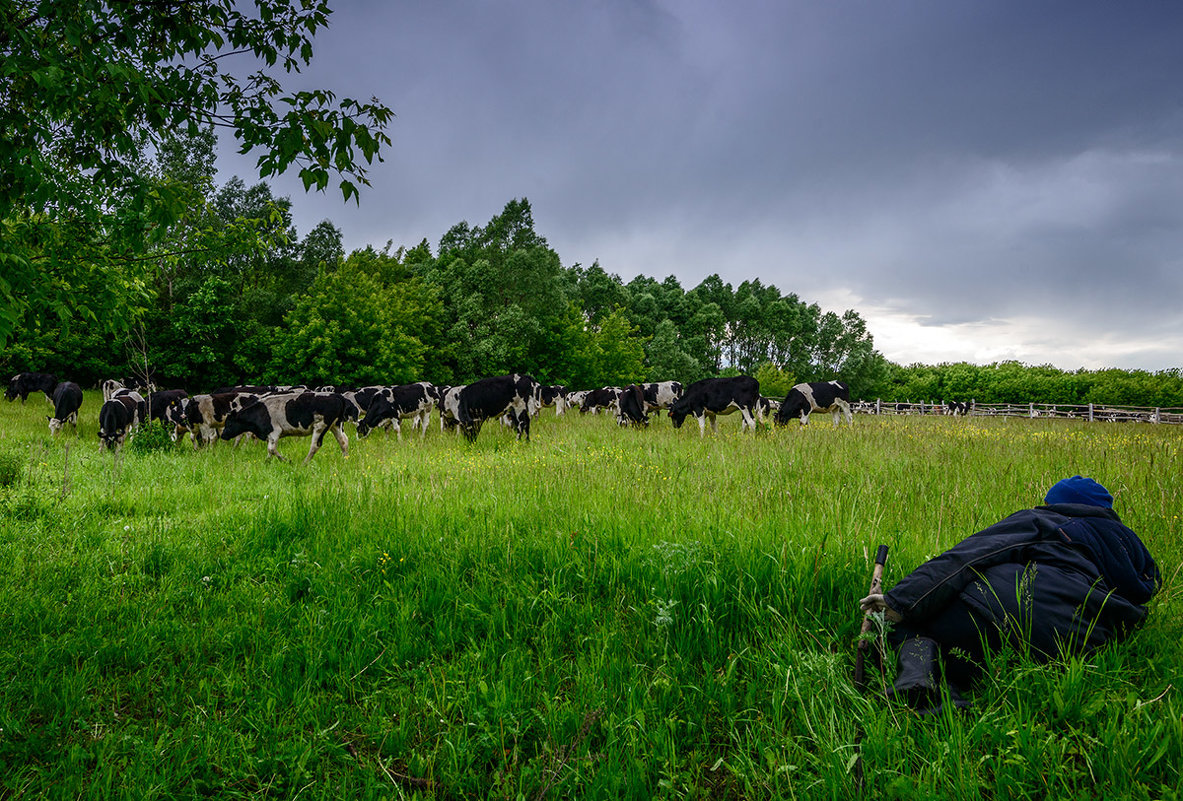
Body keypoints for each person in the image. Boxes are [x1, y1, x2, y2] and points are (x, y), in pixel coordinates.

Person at [860, 476, 1160, 713]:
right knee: (969, 646)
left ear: (1056, 503)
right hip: (1077, 644)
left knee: (917, 620)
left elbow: (969, 556)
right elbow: (1140, 597)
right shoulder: (1133, 549)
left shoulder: (1047, 519)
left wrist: (902, 600)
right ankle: (949, 689)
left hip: (1009, 608)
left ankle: (923, 684)